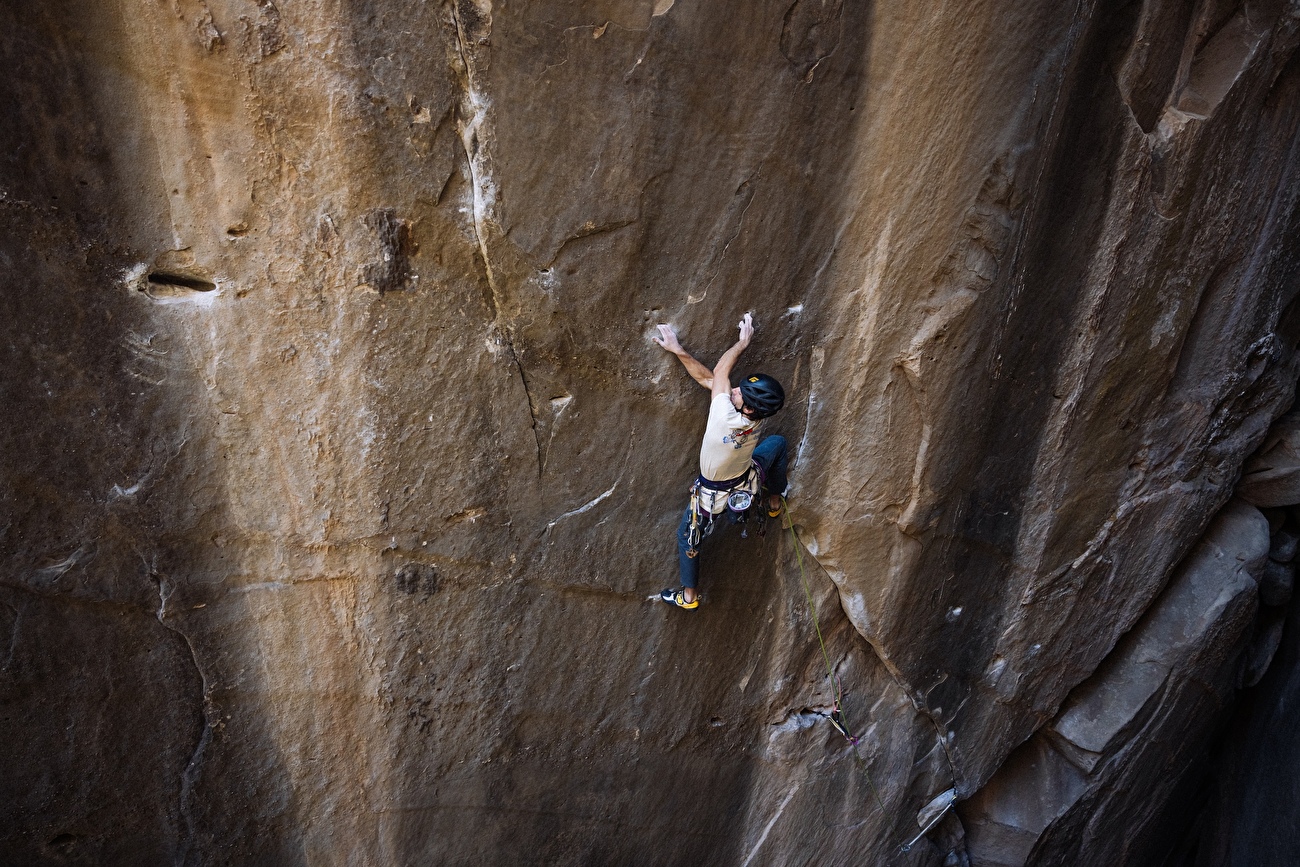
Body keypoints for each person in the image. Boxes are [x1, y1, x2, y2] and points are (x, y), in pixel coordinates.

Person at [653, 313, 788, 610]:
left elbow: (717, 373)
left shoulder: (724, 419)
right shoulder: (756, 419)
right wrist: (680, 352)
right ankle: (775, 501)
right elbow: (711, 380)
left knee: (687, 537)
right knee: (777, 444)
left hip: (711, 496)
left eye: (740, 393)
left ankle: (689, 597)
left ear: (749, 409)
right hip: (746, 482)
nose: (734, 391)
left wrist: (741, 344)